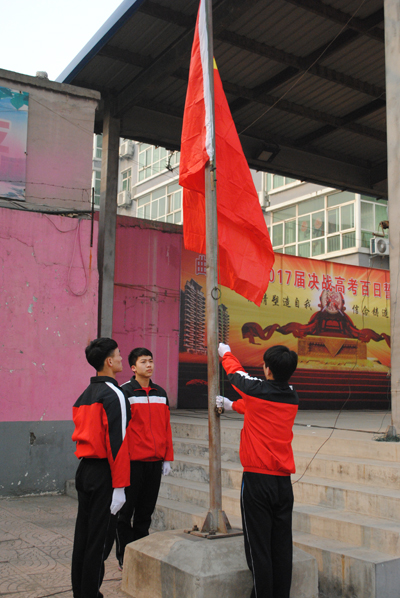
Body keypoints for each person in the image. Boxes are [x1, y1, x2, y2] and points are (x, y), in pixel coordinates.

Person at [217, 342, 299, 598]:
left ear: (268, 370)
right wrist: (232, 406)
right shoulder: (291, 395)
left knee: (258, 549)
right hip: (283, 484)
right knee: (281, 547)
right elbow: (256, 407)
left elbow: (236, 376)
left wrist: (225, 353)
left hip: (257, 481)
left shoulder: (257, 391)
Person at [71, 338, 131, 598]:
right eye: (118, 355)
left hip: (85, 470)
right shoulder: (114, 393)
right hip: (104, 472)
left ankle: (82, 593)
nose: (120, 358)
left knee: (83, 539)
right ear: (108, 361)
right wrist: (120, 486)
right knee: (99, 541)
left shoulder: (85, 394)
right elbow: (117, 444)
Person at [116, 347, 174, 569]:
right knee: (124, 514)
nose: (149, 365)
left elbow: (166, 427)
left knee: (145, 514)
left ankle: (140, 555)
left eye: (151, 361)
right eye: (143, 362)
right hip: (132, 463)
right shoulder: (124, 393)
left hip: (154, 463)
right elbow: (119, 431)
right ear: (133, 367)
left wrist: (167, 458)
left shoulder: (161, 393)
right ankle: (124, 556)